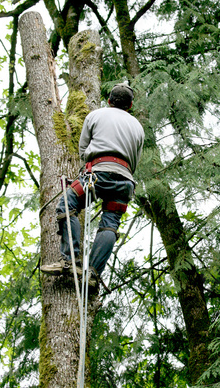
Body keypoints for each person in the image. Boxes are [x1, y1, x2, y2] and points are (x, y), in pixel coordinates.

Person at [40, 83, 145, 287]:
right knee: (110, 224)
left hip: (97, 174)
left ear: (109, 101)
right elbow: (135, 161)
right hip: (124, 181)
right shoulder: (138, 128)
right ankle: (93, 274)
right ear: (130, 105)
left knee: (67, 204)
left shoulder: (96, 115)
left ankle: (70, 261)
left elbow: (83, 149)